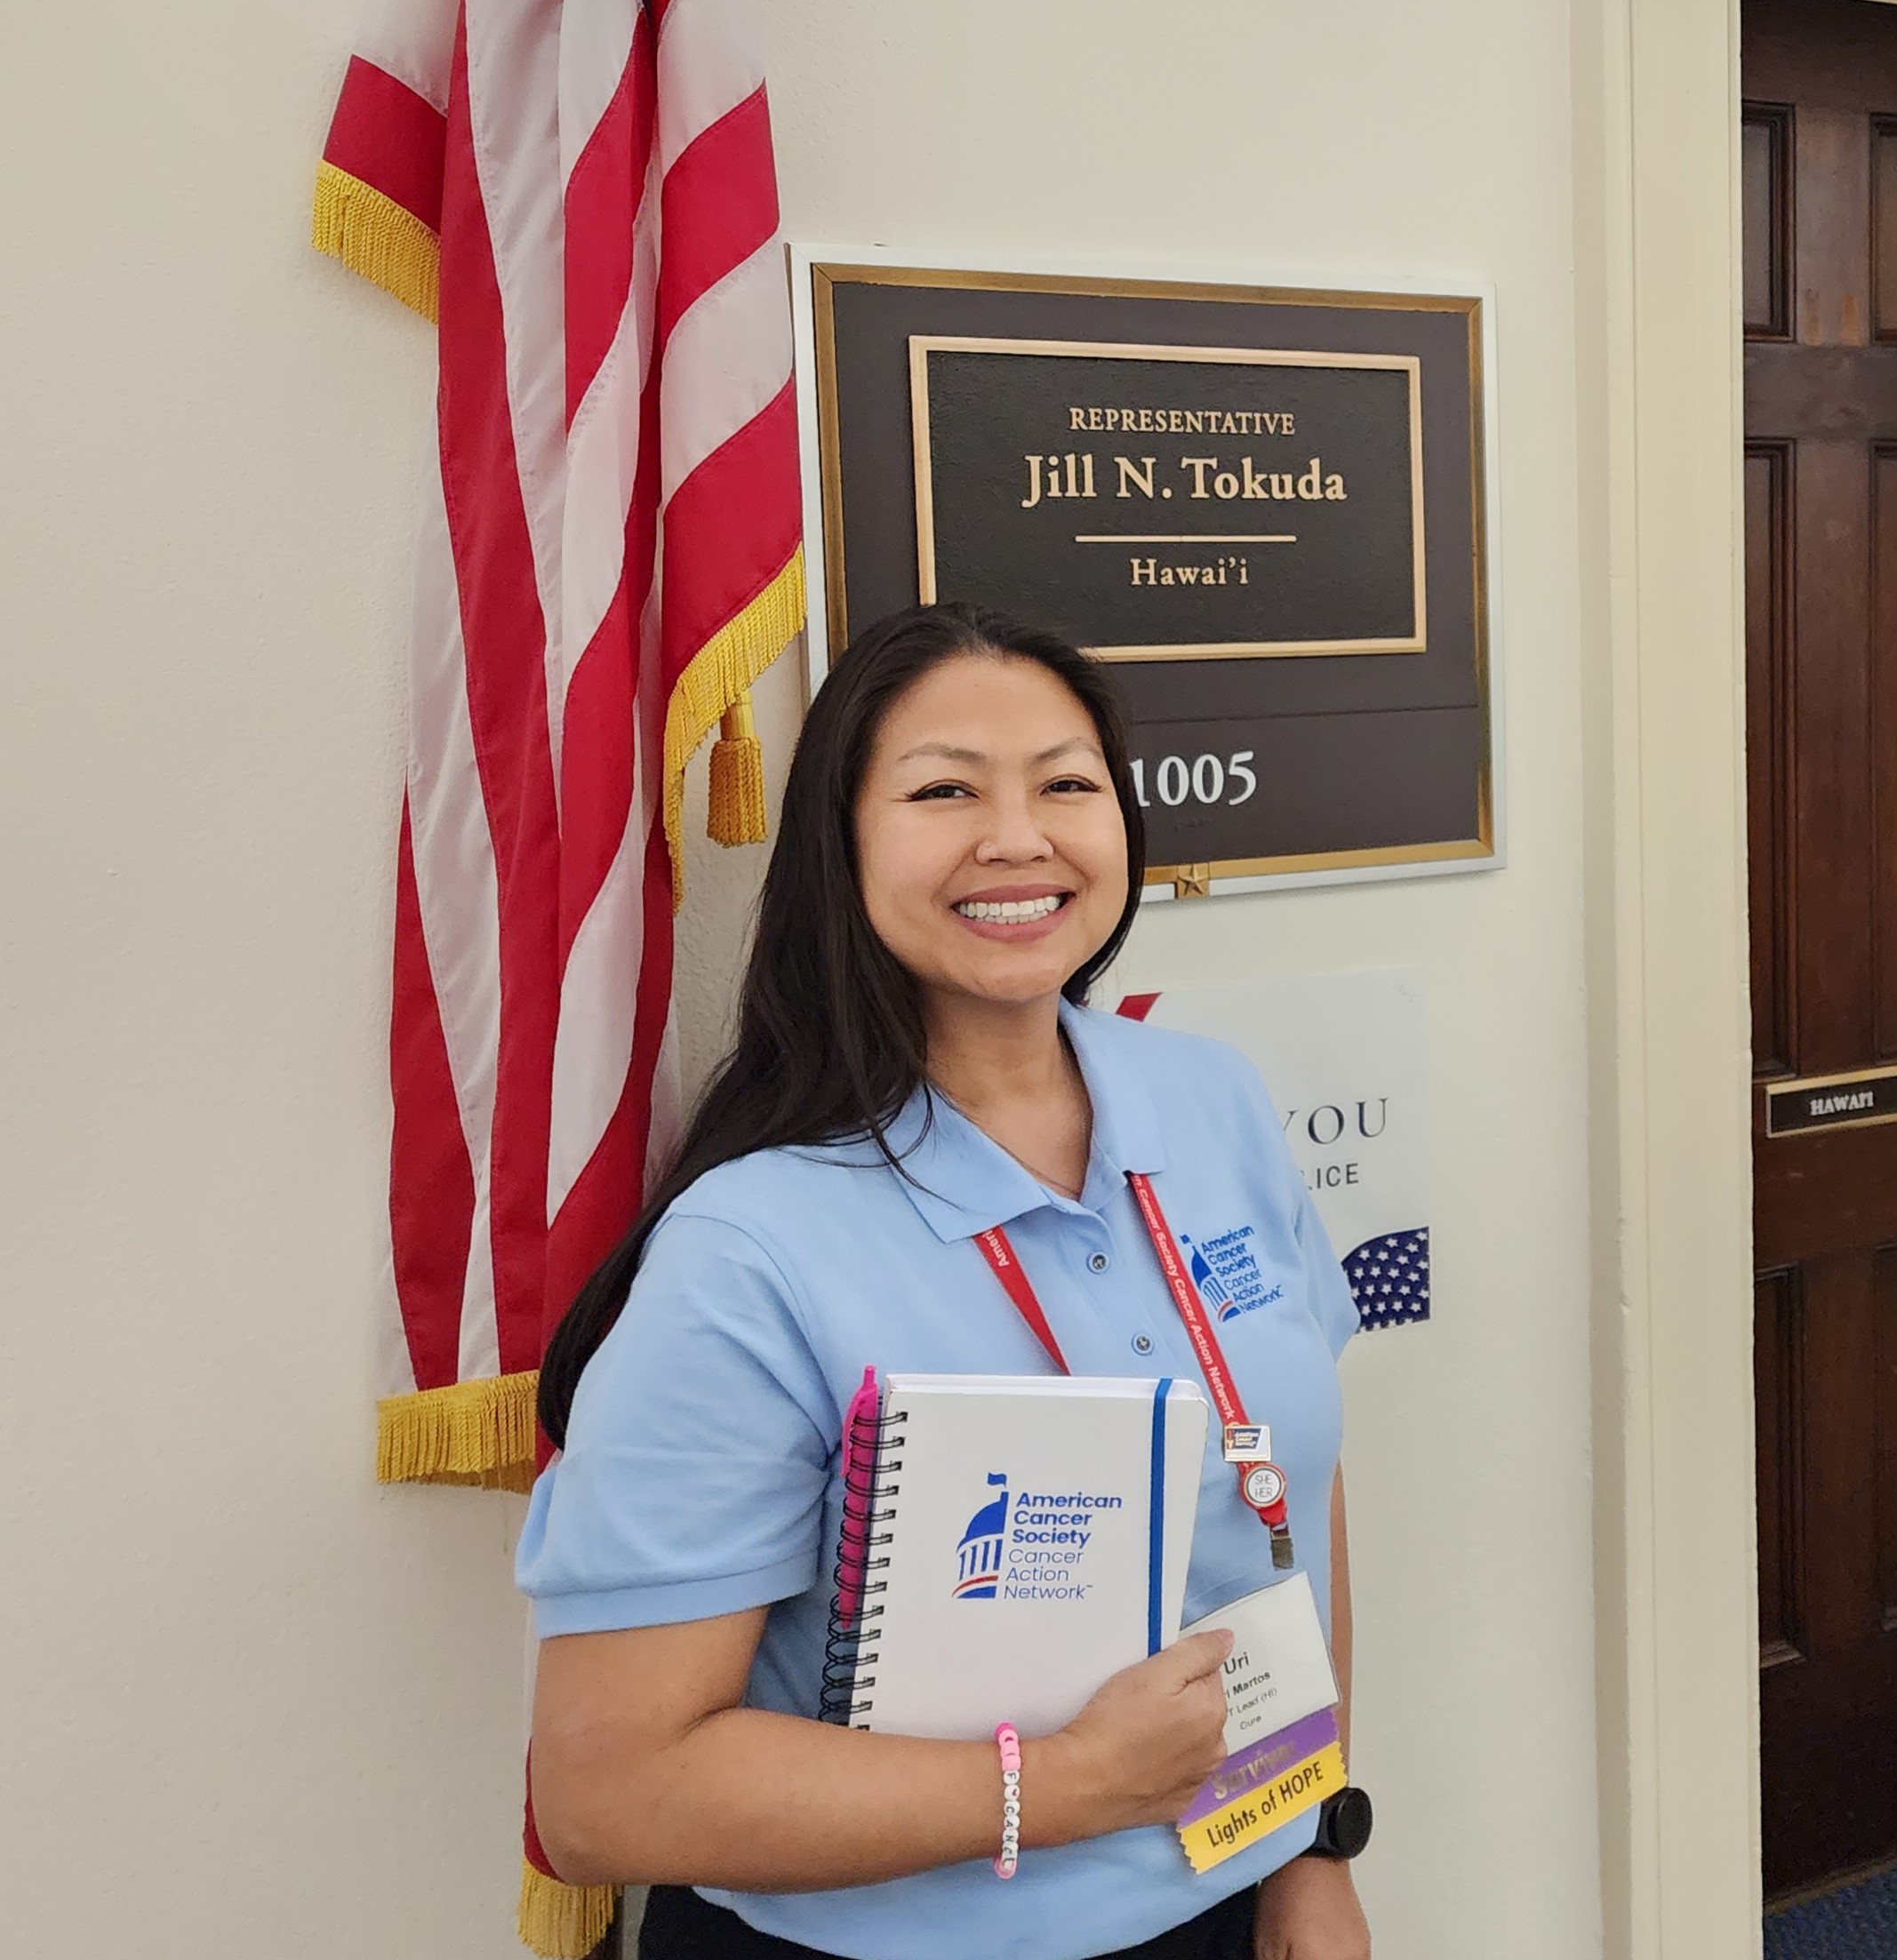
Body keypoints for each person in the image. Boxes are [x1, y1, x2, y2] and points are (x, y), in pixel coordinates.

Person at [519, 604, 1371, 1960]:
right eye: (943, 790)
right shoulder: (749, 1246)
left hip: (1220, 1896)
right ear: (839, 843)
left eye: (1066, 783)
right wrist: (1079, 1781)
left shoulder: (1206, 1097)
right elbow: (603, 1791)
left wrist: (1310, 1840)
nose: (1018, 836)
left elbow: (1288, 1492)